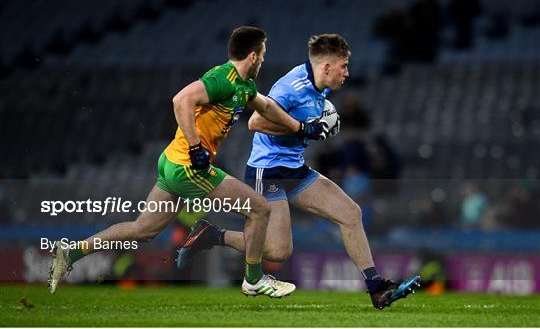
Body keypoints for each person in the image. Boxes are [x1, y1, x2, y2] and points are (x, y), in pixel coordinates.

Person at [47, 26, 329, 298]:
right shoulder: (223, 79)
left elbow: (266, 106)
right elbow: (181, 99)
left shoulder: (244, 85)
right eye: (263, 54)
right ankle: (253, 279)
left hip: (171, 163)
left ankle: (71, 252)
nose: (264, 60)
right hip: (188, 167)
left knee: (143, 229)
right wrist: (196, 148)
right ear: (253, 56)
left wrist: (299, 128)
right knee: (259, 209)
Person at [177, 34, 420, 309]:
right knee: (278, 251)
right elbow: (255, 122)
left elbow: (307, 121)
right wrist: (304, 127)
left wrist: (321, 123)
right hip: (267, 171)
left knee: (351, 213)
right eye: (343, 66)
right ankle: (211, 235)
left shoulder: (321, 87)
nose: (347, 73)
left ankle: (376, 288)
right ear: (326, 67)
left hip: (295, 169)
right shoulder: (292, 87)